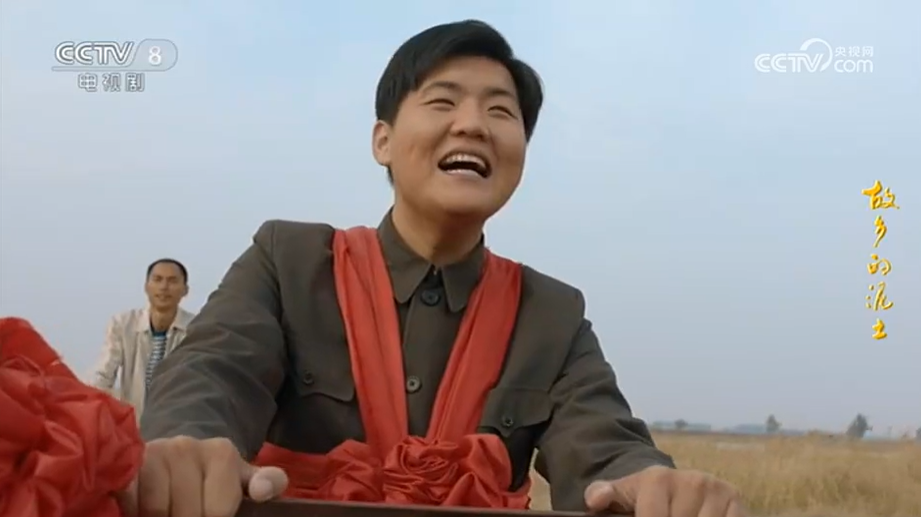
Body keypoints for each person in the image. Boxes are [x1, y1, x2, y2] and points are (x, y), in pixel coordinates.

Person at [133, 20, 747, 517]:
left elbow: (604, 441)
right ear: (382, 141)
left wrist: (651, 485)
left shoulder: (552, 314)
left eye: (501, 112)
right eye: (443, 102)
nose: (473, 125)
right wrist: (190, 443)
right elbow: (215, 370)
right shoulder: (288, 261)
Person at [90, 258, 195, 419]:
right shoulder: (123, 324)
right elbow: (103, 374)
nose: (164, 287)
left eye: (172, 281)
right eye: (157, 279)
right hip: (133, 422)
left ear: (185, 290)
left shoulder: (196, 328)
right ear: (146, 286)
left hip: (177, 423)